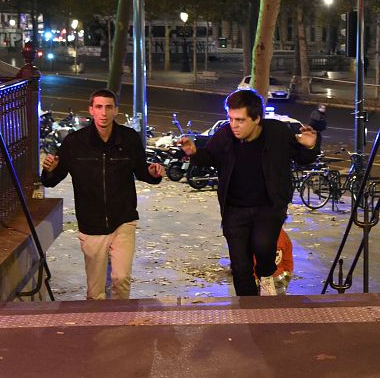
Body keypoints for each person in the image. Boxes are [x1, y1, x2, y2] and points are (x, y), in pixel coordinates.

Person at [179, 89, 318, 296]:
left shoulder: (277, 133)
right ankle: (249, 309)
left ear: (257, 119)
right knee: (240, 267)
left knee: (263, 246)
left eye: (240, 120)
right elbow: (211, 157)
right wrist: (194, 152)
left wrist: (311, 146)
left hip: (268, 206)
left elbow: (302, 157)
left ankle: (266, 277)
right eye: (231, 118)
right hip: (234, 209)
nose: (234, 125)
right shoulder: (226, 134)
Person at [41, 89, 164, 300]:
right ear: (91, 110)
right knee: (95, 290)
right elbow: (51, 181)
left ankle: (122, 325)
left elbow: (142, 171)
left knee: (121, 278)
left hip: (123, 219)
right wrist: (49, 170)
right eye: (98, 107)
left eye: (108, 107)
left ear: (116, 110)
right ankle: (97, 327)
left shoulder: (129, 138)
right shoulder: (74, 143)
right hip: (91, 224)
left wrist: (153, 174)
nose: (103, 113)